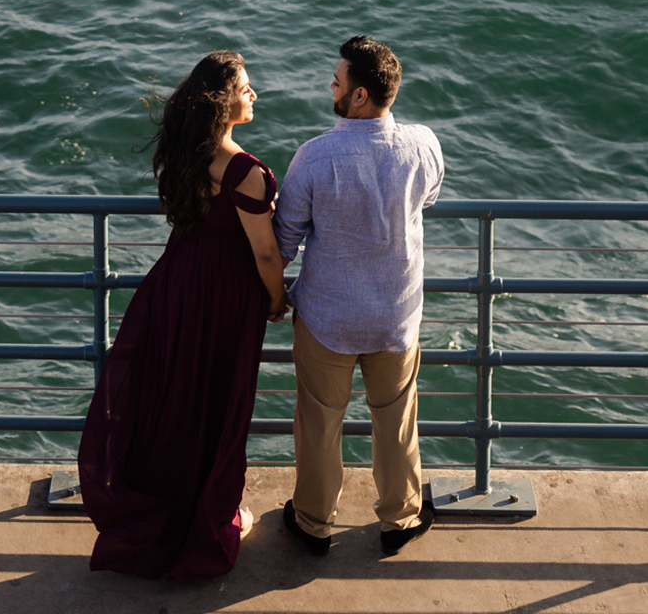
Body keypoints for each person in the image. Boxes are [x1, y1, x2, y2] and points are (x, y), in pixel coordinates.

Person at [78, 50, 287, 580]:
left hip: (177, 282)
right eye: (245, 88)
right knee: (220, 402)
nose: (254, 94)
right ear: (223, 101)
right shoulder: (245, 171)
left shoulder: (187, 149)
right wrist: (278, 299)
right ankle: (210, 517)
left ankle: (172, 509)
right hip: (223, 297)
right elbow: (265, 253)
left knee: (176, 401)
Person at [277, 34, 444, 556]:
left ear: (359, 97)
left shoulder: (314, 157)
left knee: (321, 420)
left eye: (338, 79)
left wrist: (270, 292)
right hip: (395, 314)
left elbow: (285, 238)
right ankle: (402, 517)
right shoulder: (424, 144)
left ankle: (313, 523)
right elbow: (430, 197)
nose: (331, 83)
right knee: (395, 418)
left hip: (328, 316)